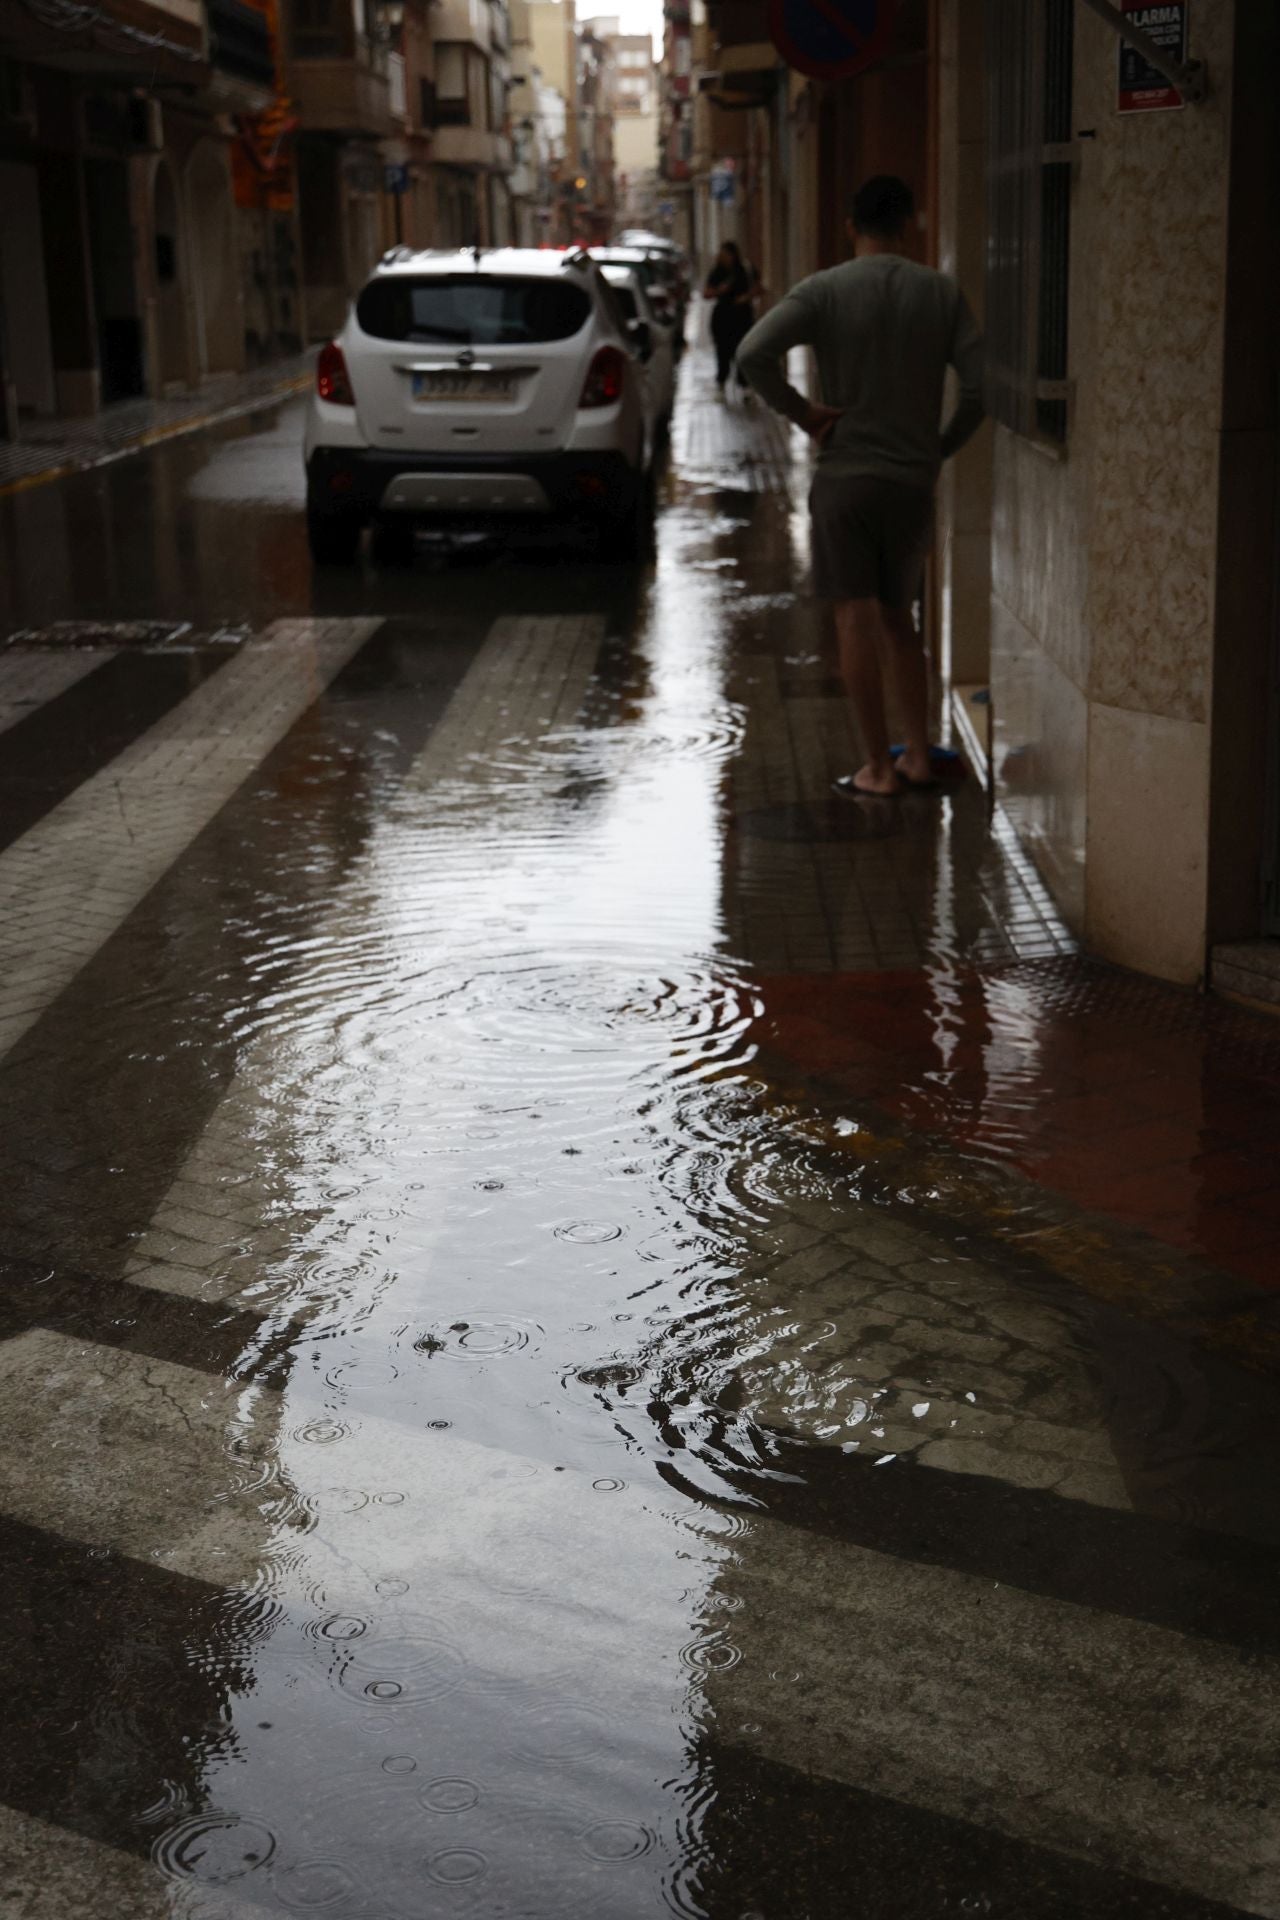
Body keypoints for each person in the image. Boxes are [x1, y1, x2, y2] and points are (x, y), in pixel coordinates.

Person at [737, 175, 984, 796]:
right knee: (902, 619)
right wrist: (937, 447)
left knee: (855, 617)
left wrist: (804, 412)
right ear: (909, 224)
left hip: (845, 480)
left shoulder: (824, 291)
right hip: (909, 483)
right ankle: (920, 758)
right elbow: (982, 389)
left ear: (852, 225)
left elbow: (752, 354)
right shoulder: (941, 293)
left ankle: (878, 766)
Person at [703, 241, 757, 398]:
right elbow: (706, 293)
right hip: (722, 318)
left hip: (742, 318)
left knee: (742, 351)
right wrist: (720, 290)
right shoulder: (717, 272)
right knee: (722, 352)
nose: (723, 257)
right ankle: (721, 382)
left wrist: (746, 297)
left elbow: (759, 288)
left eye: (726, 254)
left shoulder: (746, 270)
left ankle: (745, 385)